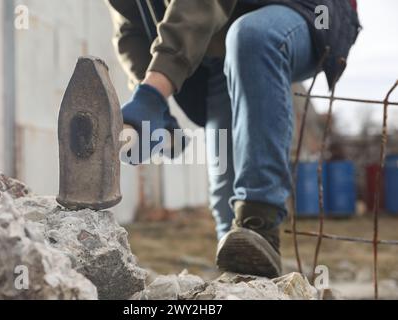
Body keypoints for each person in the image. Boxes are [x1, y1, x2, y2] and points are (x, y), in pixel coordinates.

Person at [106, 0, 360, 277]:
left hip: (304, 11)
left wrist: (154, 93)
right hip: (220, 48)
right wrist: (151, 102)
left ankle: (261, 221)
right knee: (228, 209)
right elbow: (130, 29)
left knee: (254, 37)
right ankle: (246, 280)